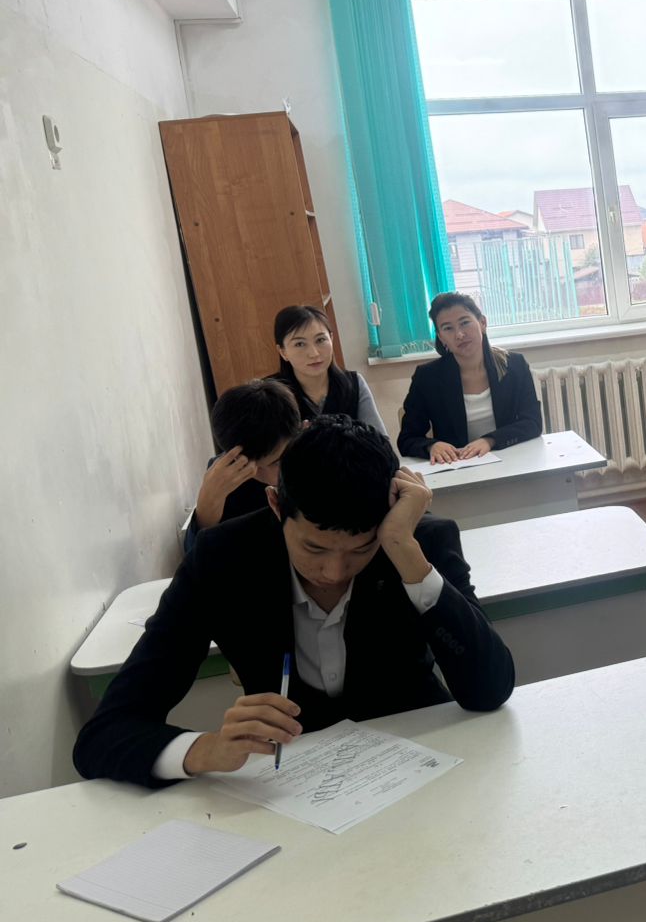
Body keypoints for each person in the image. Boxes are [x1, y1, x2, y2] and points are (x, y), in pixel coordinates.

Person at [75, 415, 515, 788]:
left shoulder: (418, 542)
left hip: (424, 772)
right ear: (275, 504)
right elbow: (104, 734)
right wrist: (205, 749)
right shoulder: (221, 560)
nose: (334, 572)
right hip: (290, 792)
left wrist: (403, 550)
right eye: (314, 548)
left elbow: (490, 688)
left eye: (361, 549)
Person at [397, 293, 542, 464]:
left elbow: (532, 422)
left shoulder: (514, 365)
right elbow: (407, 439)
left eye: (465, 323)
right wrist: (432, 446)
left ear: (482, 323)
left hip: (510, 460)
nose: (459, 334)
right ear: (441, 337)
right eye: (448, 328)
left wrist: (490, 440)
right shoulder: (427, 377)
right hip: (458, 466)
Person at [183, 379, 302, 554]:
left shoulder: (316, 455)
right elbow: (198, 559)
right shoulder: (225, 479)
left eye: (276, 462)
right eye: (250, 466)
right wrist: (207, 506)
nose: (254, 471)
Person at [268, 305, 386, 434]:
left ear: (331, 339)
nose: (314, 353)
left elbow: (380, 441)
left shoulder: (354, 383)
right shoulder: (268, 394)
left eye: (320, 340)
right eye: (299, 344)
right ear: (283, 352)